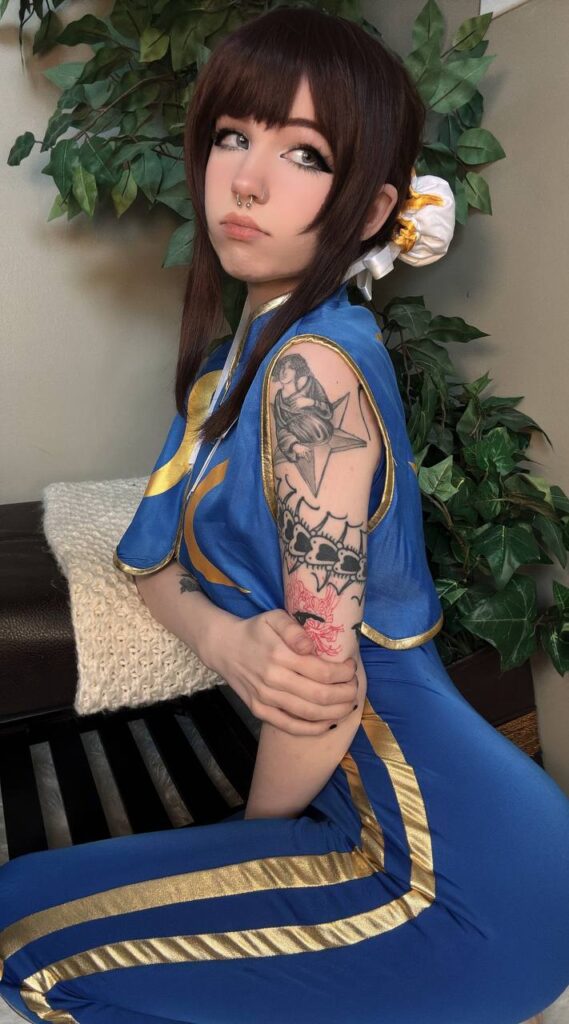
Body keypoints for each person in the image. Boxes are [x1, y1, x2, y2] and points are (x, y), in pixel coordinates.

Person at [1, 8, 568, 1024]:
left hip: (452, 878)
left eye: (304, 153)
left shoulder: (313, 371)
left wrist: (250, 842)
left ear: (371, 207)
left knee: (31, 954)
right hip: (388, 826)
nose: (247, 180)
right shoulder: (231, 372)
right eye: (232, 136)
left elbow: (319, 693)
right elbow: (147, 559)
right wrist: (225, 637)